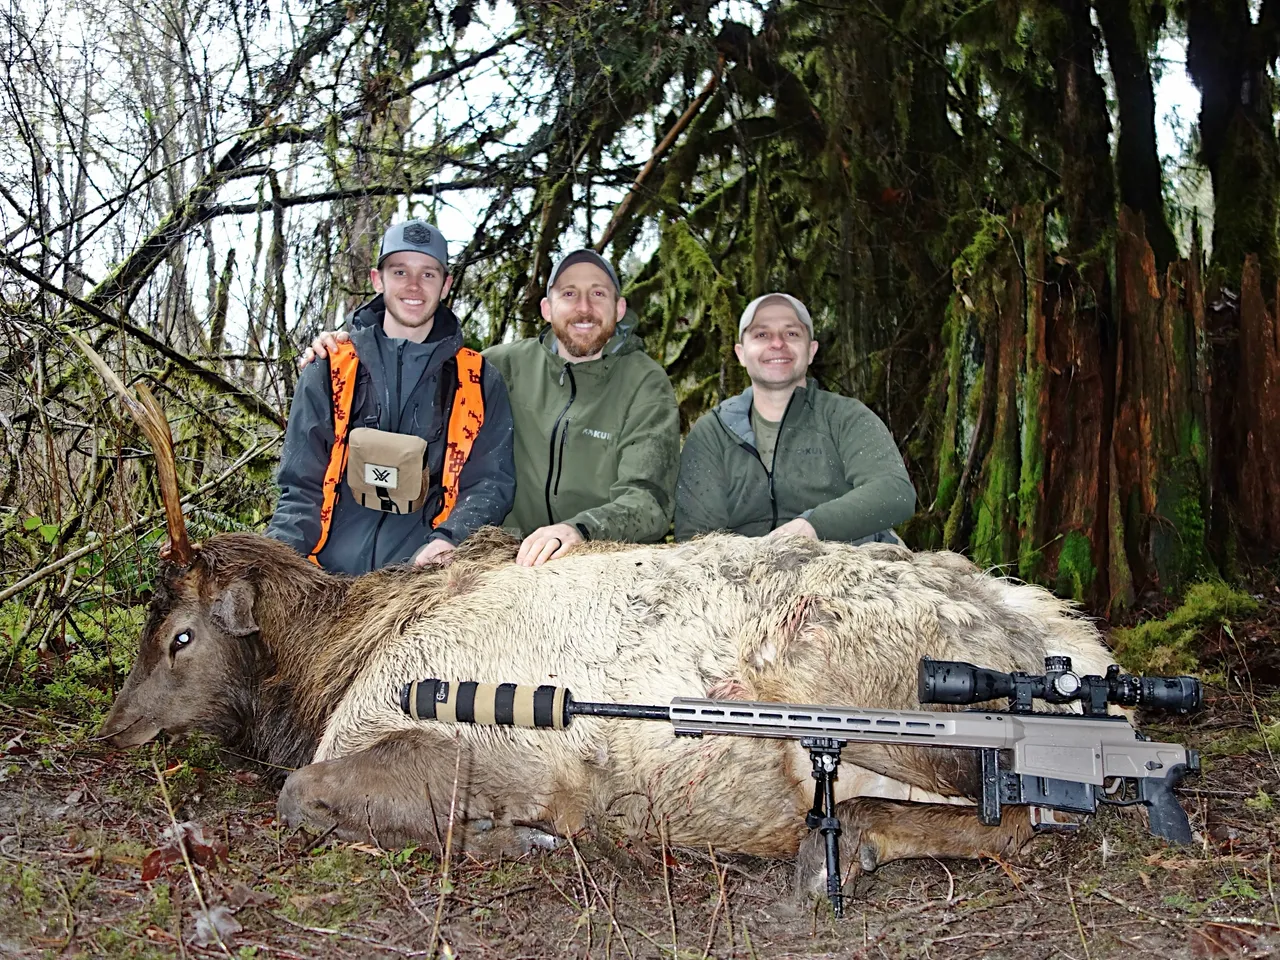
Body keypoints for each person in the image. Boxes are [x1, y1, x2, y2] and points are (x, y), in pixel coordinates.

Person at [300, 247, 681, 567]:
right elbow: (417, 373)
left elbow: (649, 501)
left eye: (598, 294)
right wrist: (346, 344)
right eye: (569, 294)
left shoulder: (645, 383)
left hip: (598, 561)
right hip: (501, 564)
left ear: (619, 307)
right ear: (547, 309)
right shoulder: (498, 367)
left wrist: (580, 530)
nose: (583, 307)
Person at [267, 219, 515, 573]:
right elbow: (300, 485)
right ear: (377, 279)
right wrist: (280, 566)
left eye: (428, 274)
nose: (414, 286)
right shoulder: (330, 366)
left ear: (445, 286)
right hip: (325, 579)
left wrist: (451, 539)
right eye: (400, 271)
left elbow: (491, 483)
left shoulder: (477, 379)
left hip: (421, 584)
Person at [675, 292, 915, 544]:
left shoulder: (846, 417)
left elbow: (894, 492)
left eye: (791, 334)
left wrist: (812, 526)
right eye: (761, 334)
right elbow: (695, 535)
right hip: (745, 570)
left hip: (846, 562)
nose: (777, 343)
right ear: (741, 354)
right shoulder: (713, 432)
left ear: (811, 351)